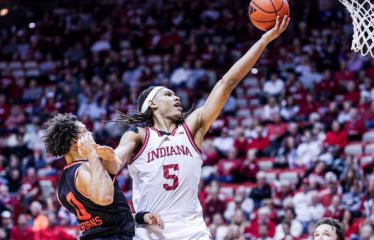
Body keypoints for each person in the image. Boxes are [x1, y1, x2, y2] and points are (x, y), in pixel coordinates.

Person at [97, 16, 290, 240]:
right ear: (152, 103)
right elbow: (116, 160)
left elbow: (227, 83)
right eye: (168, 94)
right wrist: (108, 158)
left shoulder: (193, 127)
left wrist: (264, 40)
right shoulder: (138, 135)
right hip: (150, 233)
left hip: (192, 231)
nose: (176, 97)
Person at [42, 113, 163, 240]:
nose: (90, 133)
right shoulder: (85, 169)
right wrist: (92, 153)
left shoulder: (61, 186)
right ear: (74, 142)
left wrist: (140, 218)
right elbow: (105, 198)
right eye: (85, 130)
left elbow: (104, 220)